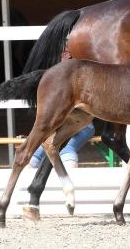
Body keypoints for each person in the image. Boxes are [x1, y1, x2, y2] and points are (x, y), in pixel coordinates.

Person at [28, 38, 95, 168]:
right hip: (61, 110)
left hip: (78, 111)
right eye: (64, 49)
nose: (66, 51)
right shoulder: (54, 71)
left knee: (87, 128)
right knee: (53, 125)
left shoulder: (84, 65)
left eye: (68, 49)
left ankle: (67, 150)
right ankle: (39, 155)